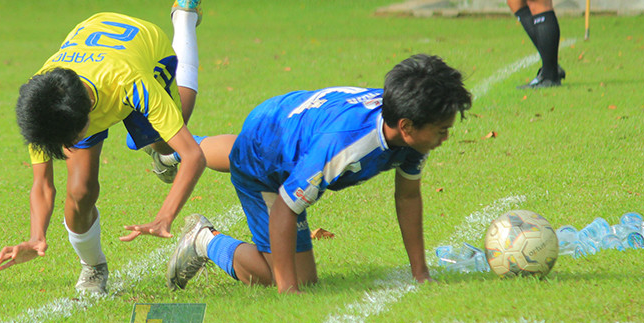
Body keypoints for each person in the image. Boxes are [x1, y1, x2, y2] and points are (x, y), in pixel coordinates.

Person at [165, 54, 473, 294]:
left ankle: (177, 149)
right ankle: (203, 240)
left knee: (246, 149)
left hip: (288, 122)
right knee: (281, 276)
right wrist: (288, 290)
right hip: (269, 146)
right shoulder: (345, 145)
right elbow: (286, 207)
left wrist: (420, 273)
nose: (445, 137)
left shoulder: (410, 118)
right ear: (406, 127)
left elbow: (407, 195)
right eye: (442, 130)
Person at [0, 0, 207, 295]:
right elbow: (42, 184)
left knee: (166, 144)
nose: (64, 150)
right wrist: (36, 236)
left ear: (87, 121)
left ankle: (184, 20)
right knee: (80, 191)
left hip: (145, 48)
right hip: (94, 49)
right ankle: (93, 267)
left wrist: (165, 217)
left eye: (68, 142)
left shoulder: (131, 82)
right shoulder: (44, 101)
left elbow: (193, 155)